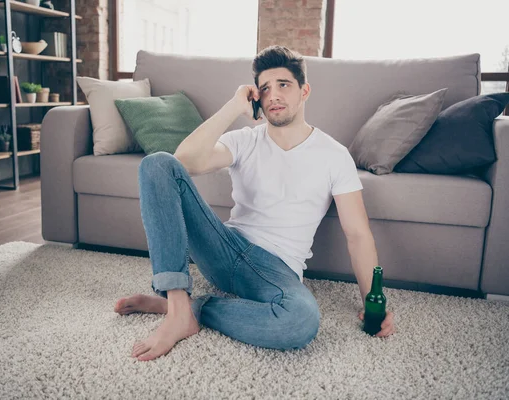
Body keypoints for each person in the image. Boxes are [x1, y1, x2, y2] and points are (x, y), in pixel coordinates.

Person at [114, 45, 396, 362]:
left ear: (304, 91)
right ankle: (178, 306)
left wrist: (375, 301)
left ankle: (195, 308)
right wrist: (233, 107)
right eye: (264, 89)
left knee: (300, 321)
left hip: (276, 271)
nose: (273, 95)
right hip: (224, 249)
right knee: (158, 164)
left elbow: (358, 234)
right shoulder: (245, 140)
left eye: (283, 85)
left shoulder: (334, 155)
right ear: (256, 98)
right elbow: (183, 161)